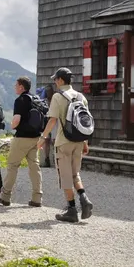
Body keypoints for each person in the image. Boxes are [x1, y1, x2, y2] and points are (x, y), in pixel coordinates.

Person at [39, 68, 94, 223]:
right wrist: (85, 142)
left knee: (65, 176)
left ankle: (71, 210)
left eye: (56, 79)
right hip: (78, 141)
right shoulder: (81, 96)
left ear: (61, 80)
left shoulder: (58, 96)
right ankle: (84, 198)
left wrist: (43, 138)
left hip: (63, 141)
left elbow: (52, 120)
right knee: (75, 173)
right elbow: (84, 121)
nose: (55, 82)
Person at [0, 76, 44, 207]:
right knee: (34, 167)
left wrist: (12, 125)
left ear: (21, 86)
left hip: (22, 138)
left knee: (12, 166)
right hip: (36, 137)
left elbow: (16, 121)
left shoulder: (20, 100)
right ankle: (37, 198)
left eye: (16, 85)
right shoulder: (35, 99)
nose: (15, 87)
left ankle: (5, 196)